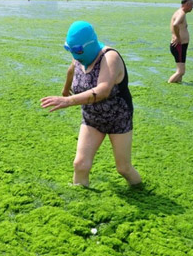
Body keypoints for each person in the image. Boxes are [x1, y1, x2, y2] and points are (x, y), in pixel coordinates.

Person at [41, 21, 142, 187]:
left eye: (77, 50)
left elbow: (103, 90)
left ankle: (142, 192)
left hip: (118, 119)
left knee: (123, 168)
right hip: (92, 118)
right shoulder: (79, 57)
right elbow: (72, 69)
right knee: (80, 165)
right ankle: (79, 204)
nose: (74, 54)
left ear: (89, 45)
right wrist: (65, 89)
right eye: (69, 49)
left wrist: (68, 100)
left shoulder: (110, 58)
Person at [168, 0, 193, 83]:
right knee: (180, 71)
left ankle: (177, 87)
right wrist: (178, 37)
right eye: (192, 5)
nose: (192, 7)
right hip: (179, 45)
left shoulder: (179, 12)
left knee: (180, 74)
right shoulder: (181, 13)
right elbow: (175, 24)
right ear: (187, 4)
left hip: (181, 46)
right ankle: (169, 85)